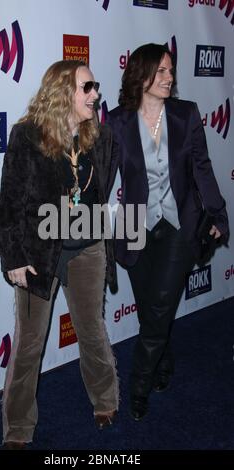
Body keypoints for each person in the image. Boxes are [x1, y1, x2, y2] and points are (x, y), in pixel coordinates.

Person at [0, 60, 119, 449]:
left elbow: (97, 192)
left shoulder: (97, 137)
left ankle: (106, 399)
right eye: (88, 87)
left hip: (87, 250)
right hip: (38, 254)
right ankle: (17, 428)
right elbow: (11, 204)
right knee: (30, 343)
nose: (95, 94)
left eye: (95, 87)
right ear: (63, 91)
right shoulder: (26, 136)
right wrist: (13, 258)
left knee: (92, 331)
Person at [107, 43, 229, 421]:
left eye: (171, 70)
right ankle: (163, 363)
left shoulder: (185, 114)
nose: (170, 77)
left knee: (159, 307)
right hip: (135, 226)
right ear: (141, 74)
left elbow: (202, 169)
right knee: (151, 311)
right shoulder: (116, 121)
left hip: (180, 225)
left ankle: (138, 386)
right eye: (161, 71)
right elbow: (103, 178)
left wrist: (219, 216)